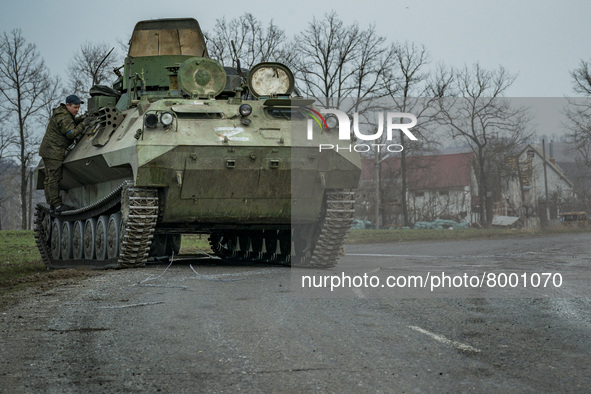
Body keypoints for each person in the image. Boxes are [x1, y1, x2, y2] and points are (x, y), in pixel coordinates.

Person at [39, 94, 90, 213]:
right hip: (53, 151)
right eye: (75, 108)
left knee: (50, 178)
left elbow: (70, 122)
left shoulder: (63, 114)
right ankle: (56, 205)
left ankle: (52, 204)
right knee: (54, 178)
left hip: (50, 150)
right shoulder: (63, 116)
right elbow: (71, 133)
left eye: (78, 108)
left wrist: (81, 118)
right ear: (67, 105)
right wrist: (83, 124)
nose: (77, 110)